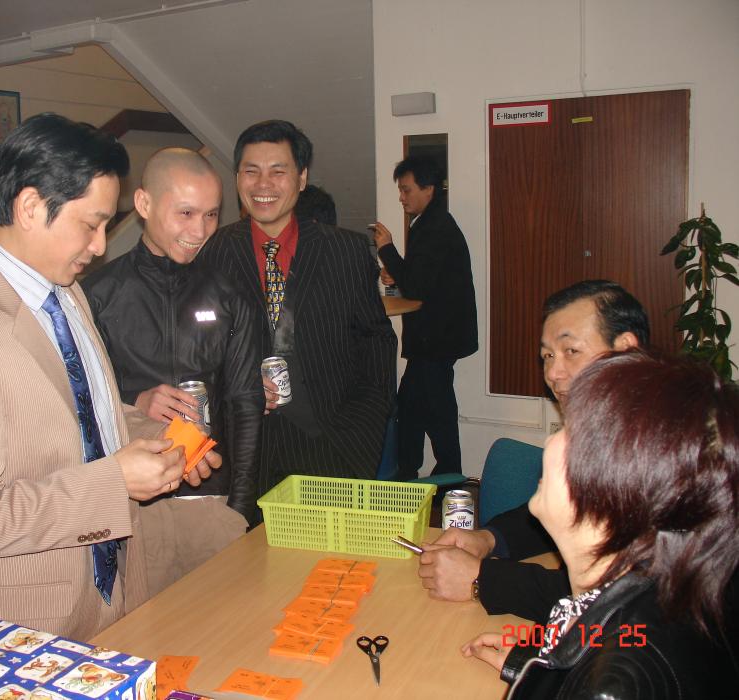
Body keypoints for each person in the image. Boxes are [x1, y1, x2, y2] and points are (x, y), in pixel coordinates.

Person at [0, 113, 218, 640]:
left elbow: (83, 414)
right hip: (33, 617)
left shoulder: (65, 292)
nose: (99, 246)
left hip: (117, 581)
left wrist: (157, 438)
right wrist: (115, 481)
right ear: (30, 207)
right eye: (90, 224)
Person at [462, 351, 739, 697]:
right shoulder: (667, 590)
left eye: (570, 430)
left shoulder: (612, 688)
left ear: (611, 480)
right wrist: (543, 669)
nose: (549, 442)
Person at [82, 148, 263, 593]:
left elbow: (246, 402)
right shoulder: (97, 295)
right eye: (185, 213)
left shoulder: (229, 294)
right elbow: (73, 399)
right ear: (144, 204)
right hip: (133, 503)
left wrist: (239, 505)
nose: (199, 231)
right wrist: (134, 400)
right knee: (141, 628)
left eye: (211, 214)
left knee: (221, 622)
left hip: (212, 498)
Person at [419, 280, 649, 622]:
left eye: (571, 351)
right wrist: (489, 539)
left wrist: (482, 580)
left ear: (625, 349)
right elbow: (565, 516)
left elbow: (616, 602)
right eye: (547, 356)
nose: (553, 373)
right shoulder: (608, 431)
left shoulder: (665, 452)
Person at [198, 119, 396, 499]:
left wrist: (364, 431)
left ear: (302, 178)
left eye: (278, 171)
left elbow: (376, 343)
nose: (263, 184)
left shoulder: (346, 251)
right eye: (251, 171)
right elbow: (199, 351)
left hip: (333, 449)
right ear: (237, 178)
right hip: (241, 452)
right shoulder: (213, 253)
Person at [371, 156, 478, 479]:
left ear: (428, 189)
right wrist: (396, 273)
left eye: (406, 190)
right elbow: (421, 279)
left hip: (437, 339)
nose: (401, 197)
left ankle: (444, 476)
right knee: (414, 407)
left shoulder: (435, 227)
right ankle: (412, 473)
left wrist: (387, 249)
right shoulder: (430, 223)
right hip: (436, 339)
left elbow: (418, 285)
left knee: (432, 410)